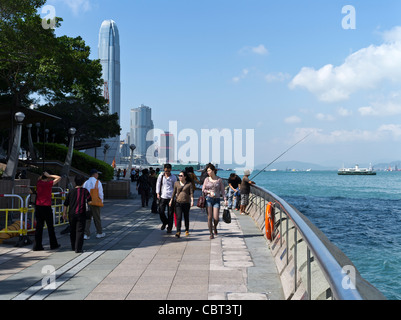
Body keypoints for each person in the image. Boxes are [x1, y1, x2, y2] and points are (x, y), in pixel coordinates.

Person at [33, 171, 61, 251]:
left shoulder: (38, 183)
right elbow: (59, 178)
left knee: (39, 227)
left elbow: (40, 178)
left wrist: (44, 175)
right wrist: (50, 175)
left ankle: (37, 246)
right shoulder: (48, 184)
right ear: (47, 178)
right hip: (46, 207)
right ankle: (53, 244)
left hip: (38, 206)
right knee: (50, 227)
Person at [63, 175, 91, 253]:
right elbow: (89, 201)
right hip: (81, 213)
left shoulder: (71, 191)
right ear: (83, 182)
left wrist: (64, 213)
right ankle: (78, 248)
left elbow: (66, 203)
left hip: (71, 214)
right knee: (80, 230)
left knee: (72, 230)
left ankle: (73, 246)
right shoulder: (85, 191)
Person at [202, 164, 227, 239]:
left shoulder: (219, 180)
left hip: (217, 200)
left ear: (213, 171)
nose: (208, 172)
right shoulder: (206, 179)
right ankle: (211, 233)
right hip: (208, 199)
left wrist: (225, 199)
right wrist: (209, 192)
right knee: (209, 217)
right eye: (207, 171)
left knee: (216, 218)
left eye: (209, 170)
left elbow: (222, 190)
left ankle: (215, 227)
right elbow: (203, 189)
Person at [169, 171, 194, 238]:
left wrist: (192, 201)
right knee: (179, 217)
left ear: (185, 177)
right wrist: (171, 200)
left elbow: (191, 193)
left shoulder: (189, 184)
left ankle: (186, 230)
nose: (179, 177)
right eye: (179, 175)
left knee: (186, 217)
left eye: (181, 175)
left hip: (186, 203)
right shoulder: (176, 183)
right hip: (178, 202)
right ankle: (178, 231)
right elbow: (174, 192)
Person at [83, 169, 105, 239]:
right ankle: (99, 233)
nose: (98, 175)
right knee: (97, 218)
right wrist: (101, 201)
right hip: (95, 202)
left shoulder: (85, 182)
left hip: (87, 202)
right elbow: (100, 193)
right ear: (94, 174)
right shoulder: (98, 182)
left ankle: (86, 234)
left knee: (87, 218)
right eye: (97, 174)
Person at [156, 163, 177, 233]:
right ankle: (165, 222)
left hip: (171, 197)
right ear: (164, 170)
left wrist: (175, 196)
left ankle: (169, 227)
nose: (167, 172)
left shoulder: (173, 177)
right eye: (165, 171)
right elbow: (158, 184)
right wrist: (157, 193)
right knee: (160, 211)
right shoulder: (161, 176)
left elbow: (175, 187)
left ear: (170, 170)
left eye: (168, 171)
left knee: (170, 213)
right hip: (163, 196)